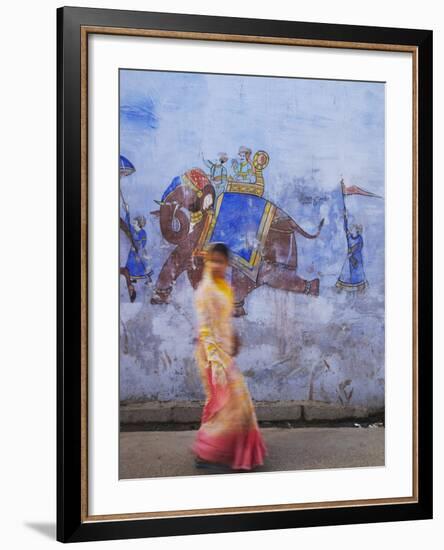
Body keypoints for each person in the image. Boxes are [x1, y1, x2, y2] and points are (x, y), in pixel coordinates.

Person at [192, 242, 267, 471]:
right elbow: (205, 328)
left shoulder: (224, 285)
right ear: (207, 261)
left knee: (232, 403)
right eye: (211, 260)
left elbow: (223, 320)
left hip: (223, 352)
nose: (215, 265)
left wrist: (233, 336)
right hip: (211, 354)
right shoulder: (206, 290)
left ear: (227, 264)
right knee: (227, 402)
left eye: (220, 261)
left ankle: (216, 450)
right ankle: (208, 451)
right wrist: (215, 362)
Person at [336, 209, 368, 292]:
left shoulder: (359, 239)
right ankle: (342, 287)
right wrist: (345, 217)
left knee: (357, 273)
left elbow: (356, 248)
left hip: (356, 259)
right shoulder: (349, 236)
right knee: (346, 273)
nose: (351, 229)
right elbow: (345, 228)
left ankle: (360, 287)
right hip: (350, 258)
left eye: (353, 228)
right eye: (351, 228)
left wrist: (350, 252)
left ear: (356, 230)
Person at [124, 204, 153, 284]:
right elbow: (127, 223)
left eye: (135, 223)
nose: (133, 224)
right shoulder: (132, 230)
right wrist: (127, 211)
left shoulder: (143, 233)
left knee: (141, 265)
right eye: (133, 223)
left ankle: (147, 279)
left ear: (139, 224)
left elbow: (143, 243)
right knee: (130, 263)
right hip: (132, 250)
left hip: (139, 251)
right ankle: (132, 277)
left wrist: (138, 248)